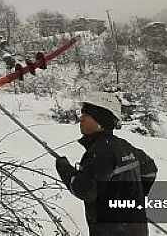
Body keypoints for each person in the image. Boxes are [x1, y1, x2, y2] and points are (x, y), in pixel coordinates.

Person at [55, 91, 158, 236]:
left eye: (87, 114)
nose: (81, 118)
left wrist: (64, 168)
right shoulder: (123, 146)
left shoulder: (102, 152)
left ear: (101, 121)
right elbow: (150, 170)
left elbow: (84, 190)